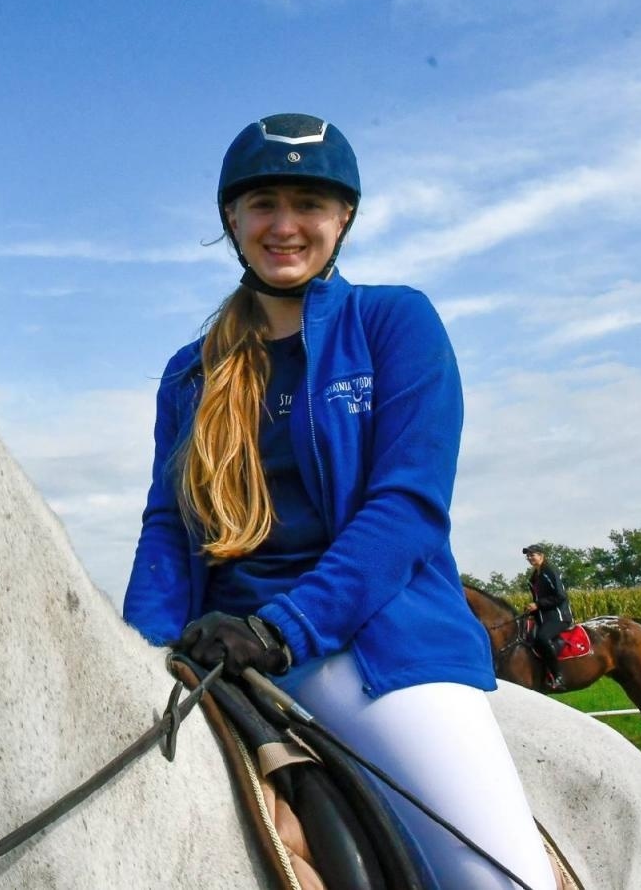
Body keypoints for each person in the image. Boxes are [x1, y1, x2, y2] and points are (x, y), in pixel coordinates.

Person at [124, 114, 555, 890]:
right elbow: (168, 524)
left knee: (499, 880)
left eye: (309, 204)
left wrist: (281, 629)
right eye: (263, 204)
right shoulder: (190, 372)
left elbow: (407, 508)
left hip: (370, 651)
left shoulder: (394, 322)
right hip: (220, 655)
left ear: (343, 217)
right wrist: (144, 652)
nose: (284, 225)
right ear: (232, 218)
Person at [523, 544, 574, 692]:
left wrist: (538, 604)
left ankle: (558, 677)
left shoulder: (549, 571)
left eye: (532, 555)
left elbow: (560, 596)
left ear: (541, 555)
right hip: (543, 617)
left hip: (559, 616)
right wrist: (532, 610)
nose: (529, 558)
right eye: (528, 556)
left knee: (542, 638)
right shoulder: (535, 576)